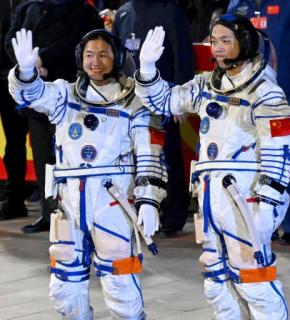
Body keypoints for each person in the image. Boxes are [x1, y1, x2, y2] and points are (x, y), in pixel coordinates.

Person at [135, 14, 290, 319]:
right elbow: (165, 102)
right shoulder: (205, 84)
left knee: (254, 280)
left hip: (245, 198)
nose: (218, 47)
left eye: (226, 40)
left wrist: (267, 205)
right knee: (215, 280)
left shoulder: (265, 92)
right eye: (214, 40)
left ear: (245, 43)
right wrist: (147, 70)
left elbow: (281, 152)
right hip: (210, 198)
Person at [8, 28, 167, 319]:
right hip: (68, 201)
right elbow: (32, 94)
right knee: (65, 286)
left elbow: (150, 153)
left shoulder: (133, 101)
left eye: (103, 55)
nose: (95, 61)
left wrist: (148, 200)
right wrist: (26, 71)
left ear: (117, 58)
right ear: (80, 58)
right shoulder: (64, 95)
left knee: (120, 282)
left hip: (111, 200)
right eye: (89, 55)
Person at [4, 0, 104, 233]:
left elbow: (78, 44)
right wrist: (26, 67)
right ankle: (50, 214)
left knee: (71, 158)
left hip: (69, 96)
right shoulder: (26, 8)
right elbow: (11, 40)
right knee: (43, 159)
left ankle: (78, 214)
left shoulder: (82, 9)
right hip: (35, 95)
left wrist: (42, 60)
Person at [227, 0, 290, 244]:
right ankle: (262, 219)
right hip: (247, 94)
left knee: (285, 154)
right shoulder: (236, 5)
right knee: (252, 154)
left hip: (281, 92)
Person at [112, 0, 195, 235]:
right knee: (134, 159)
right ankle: (142, 210)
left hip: (163, 99)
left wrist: (180, 99)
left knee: (166, 157)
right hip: (129, 100)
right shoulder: (124, 12)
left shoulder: (171, 10)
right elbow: (115, 56)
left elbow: (183, 55)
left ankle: (174, 213)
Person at [0, 0, 29, 221]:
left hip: (26, 78)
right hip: (5, 79)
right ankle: (14, 198)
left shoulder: (29, 5)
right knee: (14, 143)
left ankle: (18, 197)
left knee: (24, 142)